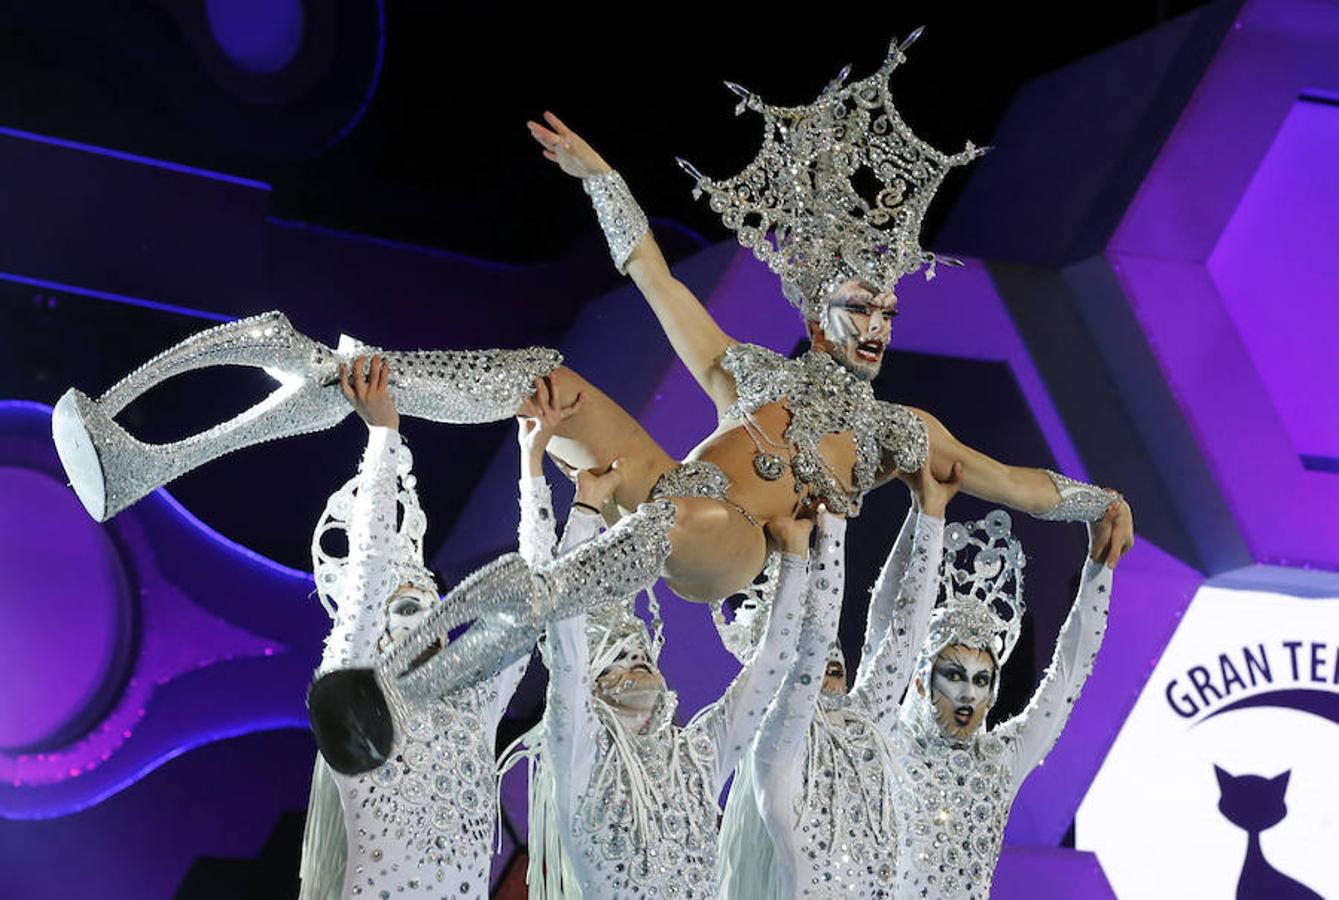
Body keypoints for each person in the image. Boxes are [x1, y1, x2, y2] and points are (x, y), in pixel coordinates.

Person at [297, 355, 580, 899]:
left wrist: (532, 461)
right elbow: (371, 567)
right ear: (372, 637)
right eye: (406, 608)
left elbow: (532, 599)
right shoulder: (358, 720)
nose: (430, 619)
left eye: (436, 607)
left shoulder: (474, 711)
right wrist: (384, 436)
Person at [514, 464, 828, 899]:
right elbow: (565, 630)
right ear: (590, 687)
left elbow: (770, 666)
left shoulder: (698, 758)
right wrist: (585, 508)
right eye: (617, 660)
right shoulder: (581, 754)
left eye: (641, 655)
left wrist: (796, 557)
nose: (637, 664)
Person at [716, 462, 962, 899]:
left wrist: (929, 515)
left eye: (835, 646)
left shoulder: (867, 724)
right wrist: (831, 525)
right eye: (797, 650)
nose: (832, 653)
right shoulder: (777, 752)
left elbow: (903, 638)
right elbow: (812, 645)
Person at [882, 505, 1117, 898]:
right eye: (953, 676)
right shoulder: (888, 745)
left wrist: (1100, 571)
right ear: (922, 682)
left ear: (992, 694)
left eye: (980, 680)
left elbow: (1066, 679)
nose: (967, 693)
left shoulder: (1001, 759)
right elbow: (886, 622)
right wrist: (924, 516)